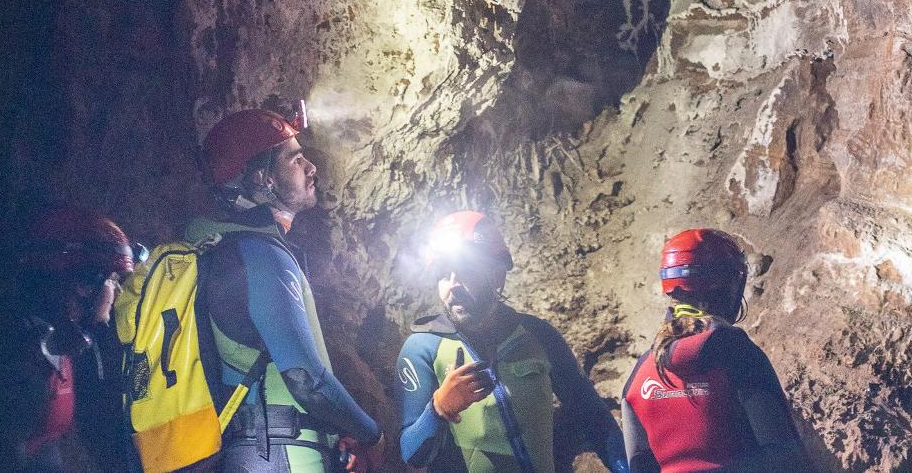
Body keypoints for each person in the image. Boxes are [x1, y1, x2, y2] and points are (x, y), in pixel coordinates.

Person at [190, 107, 383, 473]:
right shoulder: (261, 255)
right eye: (296, 159)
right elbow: (304, 379)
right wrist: (371, 433)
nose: (311, 167)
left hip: (253, 451)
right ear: (264, 179)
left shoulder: (221, 247)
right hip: (281, 455)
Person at [396, 210, 630, 473]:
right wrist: (438, 409)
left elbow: (591, 416)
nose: (453, 285)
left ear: (497, 275)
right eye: (442, 274)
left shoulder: (538, 336)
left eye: (465, 270)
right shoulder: (422, 348)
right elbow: (411, 454)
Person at [0, 207, 140, 473]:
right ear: (81, 283)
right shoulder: (6, 348)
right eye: (111, 281)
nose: (115, 294)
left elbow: (46, 447)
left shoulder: (57, 340)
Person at [621, 229, 812, 472]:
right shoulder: (738, 355)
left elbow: (638, 464)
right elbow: (787, 457)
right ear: (725, 287)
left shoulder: (640, 374)